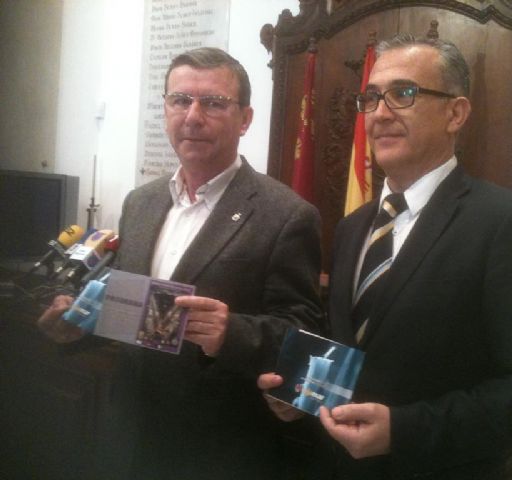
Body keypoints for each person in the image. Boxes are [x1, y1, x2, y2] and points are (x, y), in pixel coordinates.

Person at [259, 34, 512, 479]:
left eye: (403, 93)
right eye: (371, 98)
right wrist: (300, 395)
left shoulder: (508, 223)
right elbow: (351, 350)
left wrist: (403, 431)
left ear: (455, 113)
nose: (380, 114)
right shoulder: (353, 227)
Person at [38, 47, 324, 480]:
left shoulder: (287, 215)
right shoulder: (140, 202)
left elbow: (303, 333)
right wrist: (80, 326)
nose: (193, 116)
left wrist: (232, 333)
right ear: (166, 109)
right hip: (126, 433)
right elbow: (132, 311)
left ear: (245, 119)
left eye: (213, 103)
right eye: (180, 100)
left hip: (216, 448)